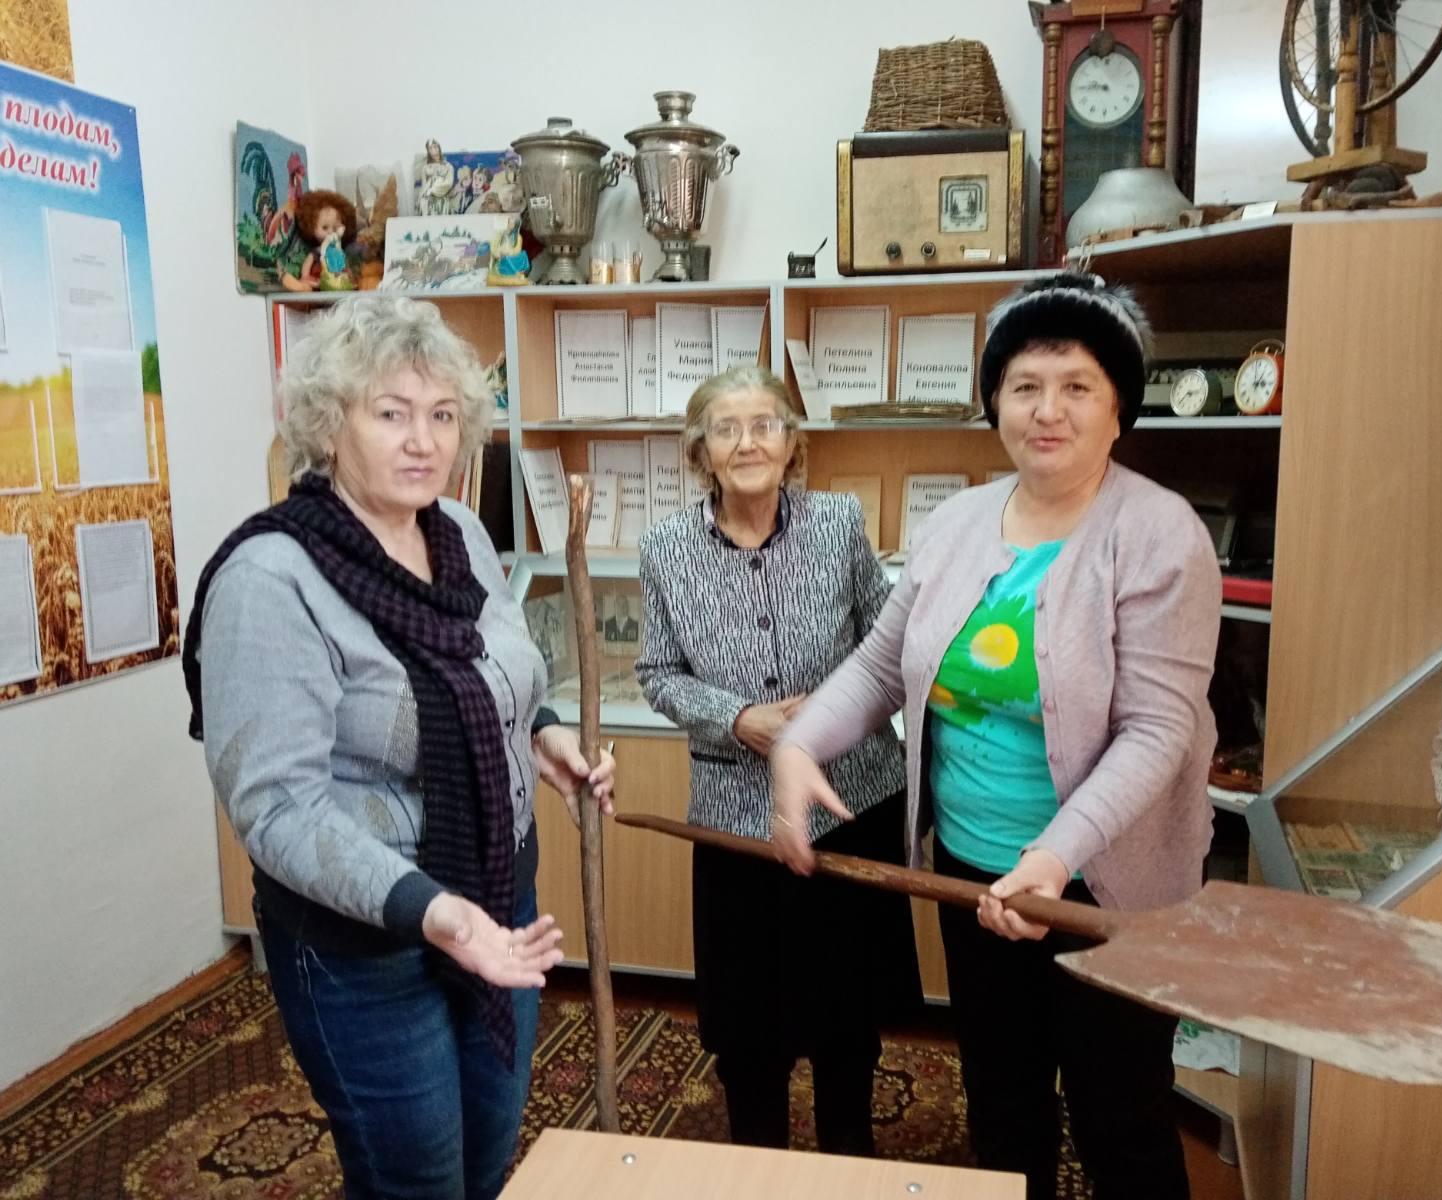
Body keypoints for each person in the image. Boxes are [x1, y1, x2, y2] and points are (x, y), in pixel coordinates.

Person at [771, 273, 1221, 1200]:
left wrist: (1053, 859)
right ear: (995, 402)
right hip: (972, 876)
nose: (1047, 410)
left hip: (1107, 891)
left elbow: (1158, 729)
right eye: (1025, 386)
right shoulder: (957, 523)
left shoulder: (1161, 534)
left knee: (1120, 1116)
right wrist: (797, 746)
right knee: (1003, 1101)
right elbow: (879, 666)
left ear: (1120, 408)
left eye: (1077, 386)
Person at [183, 295, 616, 1200]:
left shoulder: (457, 533)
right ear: (325, 425)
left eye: (443, 415)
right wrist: (437, 911)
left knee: (488, 1155)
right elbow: (276, 807)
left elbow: (488, 672)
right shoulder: (271, 577)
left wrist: (538, 734)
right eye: (391, 413)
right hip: (365, 941)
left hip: (497, 895)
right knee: (414, 1181)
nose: (424, 441)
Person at [635, 366, 921, 1156]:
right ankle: (757, 1168)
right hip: (738, 827)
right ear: (701, 452)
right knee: (747, 1034)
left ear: (792, 443)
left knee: (847, 1029)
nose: (748, 442)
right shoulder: (665, 548)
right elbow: (657, 674)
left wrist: (824, 722)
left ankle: (849, 1166)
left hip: (848, 804)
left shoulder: (838, 523)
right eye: (726, 428)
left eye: (764, 424)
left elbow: (885, 645)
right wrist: (737, 719)